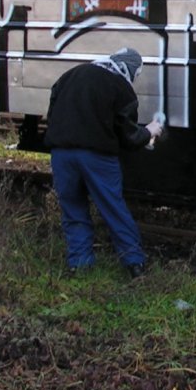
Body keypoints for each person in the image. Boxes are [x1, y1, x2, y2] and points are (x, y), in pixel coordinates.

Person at [44, 47, 162, 277]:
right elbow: (128, 135)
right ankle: (134, 264)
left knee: (73, 208)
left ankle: (79, 264)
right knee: (112, 207)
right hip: (96, 157)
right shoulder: (120, 87)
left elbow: (52, 109)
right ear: (130, 69)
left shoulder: (71, 74)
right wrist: (149, 132)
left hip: (62, 154)